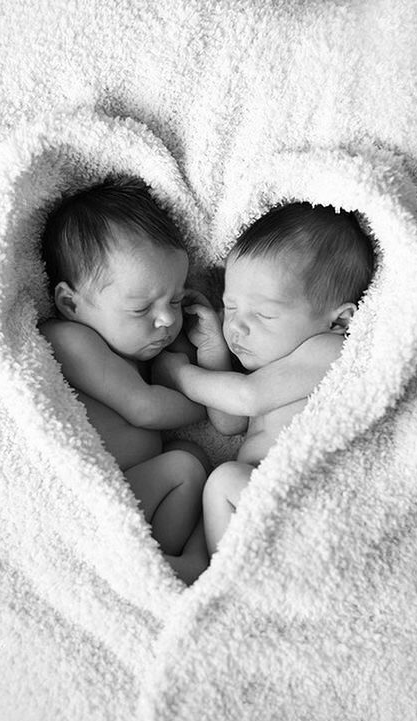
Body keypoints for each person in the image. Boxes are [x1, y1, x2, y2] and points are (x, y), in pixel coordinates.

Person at [153, 202, 375, 555]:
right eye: (232, 307)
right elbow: (228, 423)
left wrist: (180, 374)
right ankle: (208, 571)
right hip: (254, 500)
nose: (237, 325)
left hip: (302, 505)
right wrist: (213, 351)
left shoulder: (329, 351)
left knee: (223, 479)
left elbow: (247, 399)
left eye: (263, 314)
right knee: (217, 483)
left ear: (339, 320)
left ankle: (222, 583)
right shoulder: (271, 365)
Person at [39, 177, 210, 584]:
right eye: (141, 308)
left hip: (138, 490)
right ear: (71, 303)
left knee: (194, 455)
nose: (167, 319)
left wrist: (211, 351)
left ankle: (165, 560)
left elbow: (183, 378)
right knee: (185, 464)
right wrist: (216, 398)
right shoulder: (69, 340)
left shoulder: (142, 346)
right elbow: (145, 407)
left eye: (176, 299)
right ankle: (170, 565)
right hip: (100, 503)